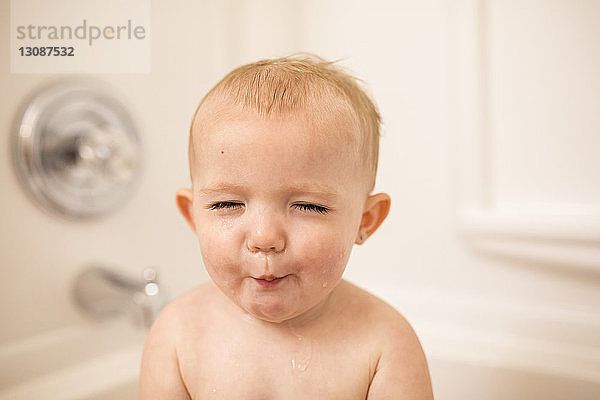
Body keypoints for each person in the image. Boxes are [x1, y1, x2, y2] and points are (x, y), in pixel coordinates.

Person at [138, 54, 433, 399]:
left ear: (365, 221)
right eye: (227, 204)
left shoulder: (384, 344)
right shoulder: (176, 335)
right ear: (193, 217)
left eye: (308, 205)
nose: (264, 238)